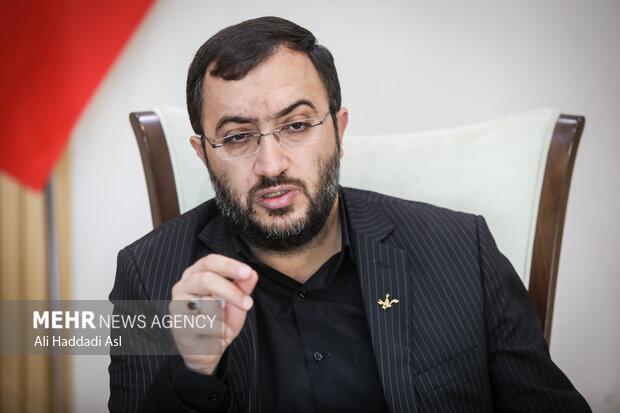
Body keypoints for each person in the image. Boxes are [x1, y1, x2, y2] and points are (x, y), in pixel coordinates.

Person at [108, 16, 590, 413]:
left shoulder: (464, 250)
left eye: (297, 126)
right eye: (237, 137)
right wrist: (191, 372)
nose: (271, 165)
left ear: (338, 130)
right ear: (203, 153)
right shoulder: (146, 274)